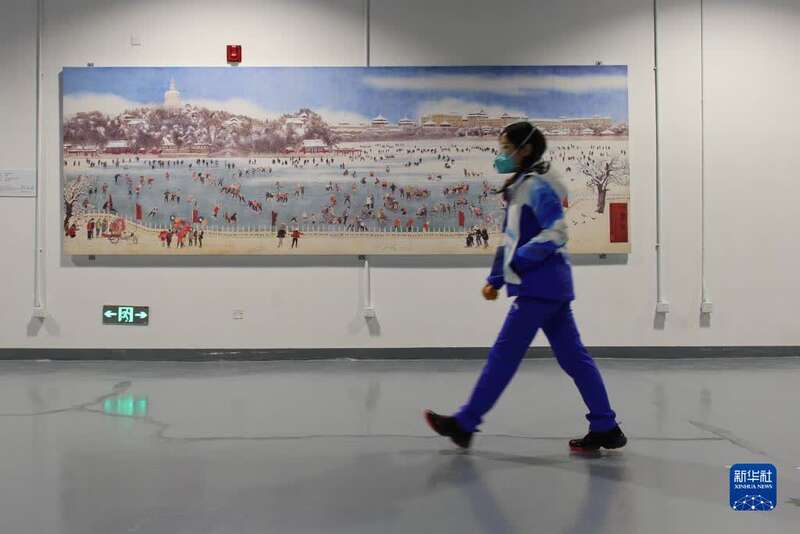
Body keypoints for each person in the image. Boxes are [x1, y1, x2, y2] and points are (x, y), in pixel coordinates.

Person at [425, 121, 626, 452]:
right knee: (574, 359)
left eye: (506, 149)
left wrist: (518, 263)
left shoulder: (536, 187)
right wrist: (495, 278)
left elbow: (556, 232)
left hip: (539, 287)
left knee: (503, 357)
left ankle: (465, 424)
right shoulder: (521, 186)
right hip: (549, 286)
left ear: (526, 150)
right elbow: (510, 239)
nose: (501, 155)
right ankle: (606, 426)